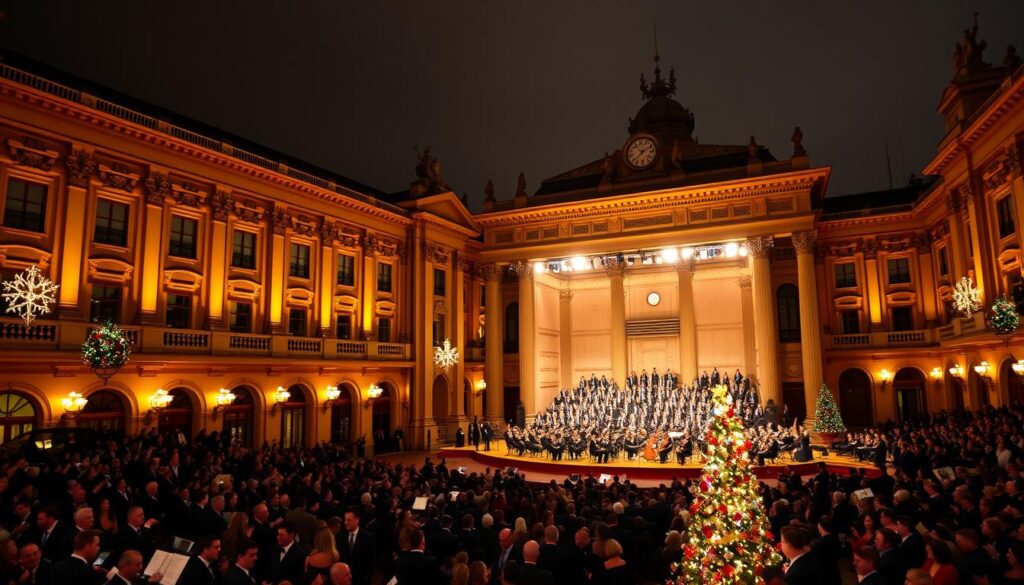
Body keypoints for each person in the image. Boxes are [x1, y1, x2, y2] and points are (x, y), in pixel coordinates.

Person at [337, 509, 374, 585]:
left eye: (349, 520)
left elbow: (372, 558)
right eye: (345, 520)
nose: (346, 523)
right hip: (345, 579)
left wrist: (367, 576)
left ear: (357, 520)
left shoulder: (368, 537)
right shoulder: (340, 536)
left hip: (361, 578)